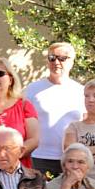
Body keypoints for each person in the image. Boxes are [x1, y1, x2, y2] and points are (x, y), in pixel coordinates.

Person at [24, 42, 85, 175]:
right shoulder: (32, 90)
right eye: (52, 58)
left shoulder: (81, 91)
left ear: (72, 62)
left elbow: (87, 124)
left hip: (71, 158)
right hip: (37, 156)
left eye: (62, 58)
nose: (56, 62)